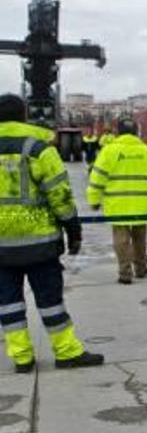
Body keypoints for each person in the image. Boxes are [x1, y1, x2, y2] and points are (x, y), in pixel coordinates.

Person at [0, 93, 104, 373]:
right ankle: (66, 352)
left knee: (7, 303)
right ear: (24, 115)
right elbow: (59, 193)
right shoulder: (38, 147)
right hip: (40, 243)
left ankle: (21, 358)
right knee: (50, 300)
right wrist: (74, 229)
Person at [87, 118, 147, 285]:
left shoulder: (108, 151)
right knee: (140, 238)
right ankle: (141, 269)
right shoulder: (146, 151)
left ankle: (125, 273)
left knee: (121, 240)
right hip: (141, 205)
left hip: (118, 205)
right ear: (137, 132)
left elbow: (97, 177)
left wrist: (94, 200)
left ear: (118, 132)